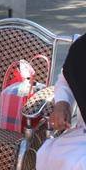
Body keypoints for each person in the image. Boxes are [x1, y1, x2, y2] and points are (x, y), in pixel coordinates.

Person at [36, 34, 86, 169]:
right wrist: (62, 103)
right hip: (83, 135)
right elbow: (67, 78)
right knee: (49, 155)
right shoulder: (81, 47)